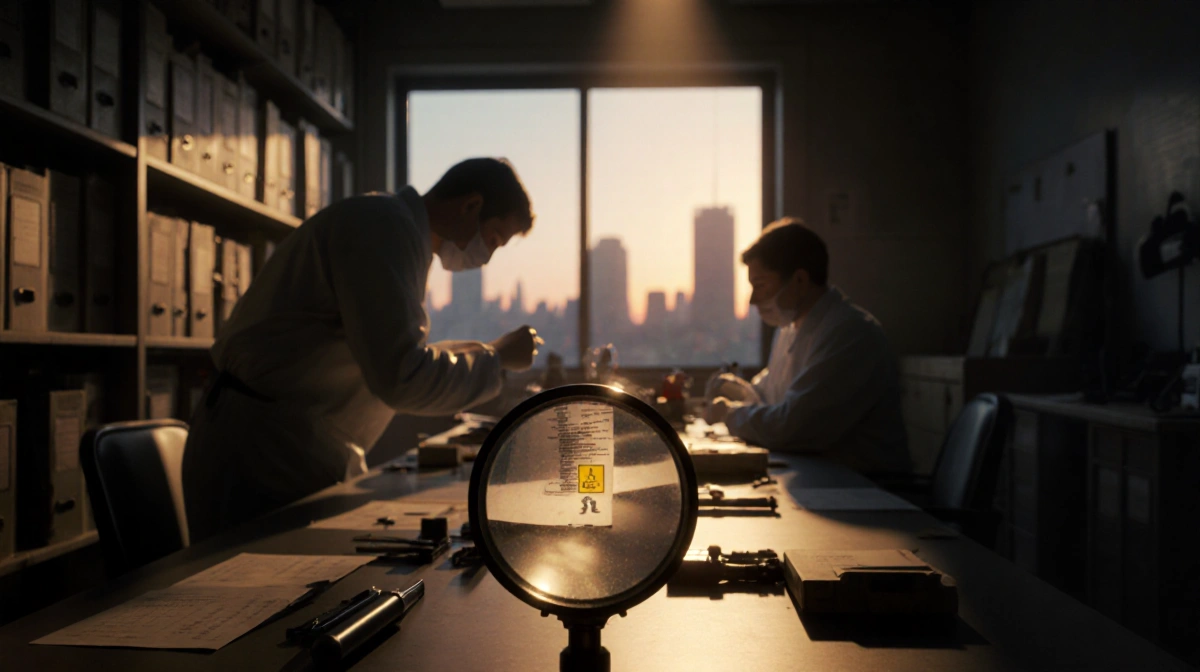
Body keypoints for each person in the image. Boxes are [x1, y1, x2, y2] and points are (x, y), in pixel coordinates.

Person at [183, 158, 541, 541]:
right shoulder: (382, 228)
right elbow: (401, 376)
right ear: (471, 206)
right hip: (260, 454)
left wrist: (490, 353)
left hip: (286, 444)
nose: (486, 256)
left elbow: (394, 353)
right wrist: (497, 359)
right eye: (493, 239)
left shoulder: (395, 231)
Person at [703, 218, 909, 474]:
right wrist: (741, 392)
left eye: (761, 285)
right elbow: (774, 399)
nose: (754, 300)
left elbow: (793, 427)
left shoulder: (849, 333)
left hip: (865, 491)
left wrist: (729, 414)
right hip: (819, 478)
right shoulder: (790, 329)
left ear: (799, 280)